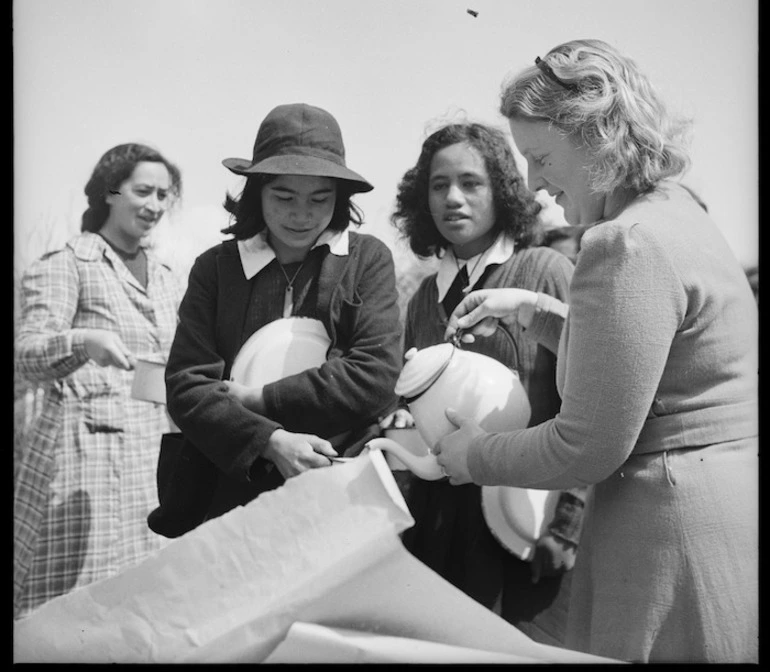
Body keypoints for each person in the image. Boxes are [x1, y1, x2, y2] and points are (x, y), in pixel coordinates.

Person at [440, 40, 758, 663]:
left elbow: (585, 445)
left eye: (539, 157)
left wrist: (472, 455)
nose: (533, 183)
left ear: (596, 137)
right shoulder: (676, 213)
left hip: (669, 533)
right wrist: (538, 313)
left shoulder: (625, 242)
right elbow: (660, 367)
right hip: (717, 515)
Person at [147, 103, 402, 538]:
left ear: (340, 198)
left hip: (343, 485)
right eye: (283, 197)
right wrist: (268, 441)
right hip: (230, 495)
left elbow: (375, 375)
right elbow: (187, 386)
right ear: (256, 192)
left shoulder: (367, 260)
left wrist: (259, 399)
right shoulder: (216, 268)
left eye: (319, 199)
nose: (301, 214)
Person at [389, 121, 585, 646]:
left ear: (502, 190)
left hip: (528, 529)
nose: (453, 198)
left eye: (471, 182)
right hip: (440, 534)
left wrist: (568, 525)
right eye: (438, 184)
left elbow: (594, 403)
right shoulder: (423, 299)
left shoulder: (544, 271)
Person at [14, 143, 183, 619]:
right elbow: (25, 354)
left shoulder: (171, 280)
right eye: (142, 191)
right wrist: (84, 341)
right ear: (110, 192)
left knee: (138, 609)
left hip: (150, 469)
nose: (154, 205)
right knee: (63, 612)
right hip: (81, 469)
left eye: (164, 195)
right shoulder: (68, 264)